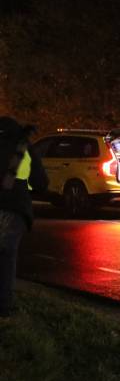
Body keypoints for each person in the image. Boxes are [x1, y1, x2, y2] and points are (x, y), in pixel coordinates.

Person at [1, 117, 48, 317]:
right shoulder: (24, 148)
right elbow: (41, 183)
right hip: (15, 207)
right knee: (6, 257)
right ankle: (4, 307)